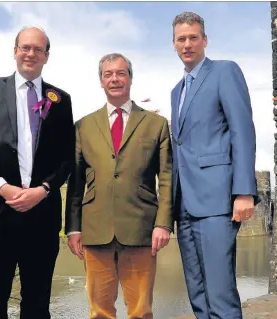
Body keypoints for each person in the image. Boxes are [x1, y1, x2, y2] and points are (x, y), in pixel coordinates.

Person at [0, 26, 75, 318]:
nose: (31, 54)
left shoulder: (60, 100)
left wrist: (44, 189)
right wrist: (2, 187)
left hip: (41, 217)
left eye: (38, 49)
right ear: (15, 51)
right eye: (25, 47)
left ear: (47, 56)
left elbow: (66, 158)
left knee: (37, 306)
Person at [65, 53, 173, 319]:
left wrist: (163, 223)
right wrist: (73, 228)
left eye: (121, 73)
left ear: (130, 79)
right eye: (108, 74)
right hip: (94, 230)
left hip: (141, 230)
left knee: (140, 311)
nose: (115, 79)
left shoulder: (156, 124)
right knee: (99, 311)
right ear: (101, 82)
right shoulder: (83, 126)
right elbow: (75, 182)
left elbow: (167, 178)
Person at [170, 11, 258, 319]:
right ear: (174, 44)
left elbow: (242, 130)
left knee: (220, 296)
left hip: (217, 202)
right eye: (181, 39)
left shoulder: (224, 71)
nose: (188, 44)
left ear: (204, 40)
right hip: (185, 206)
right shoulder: (176, 92)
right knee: (198, 296)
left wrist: (244, 191)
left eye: (194, 37)